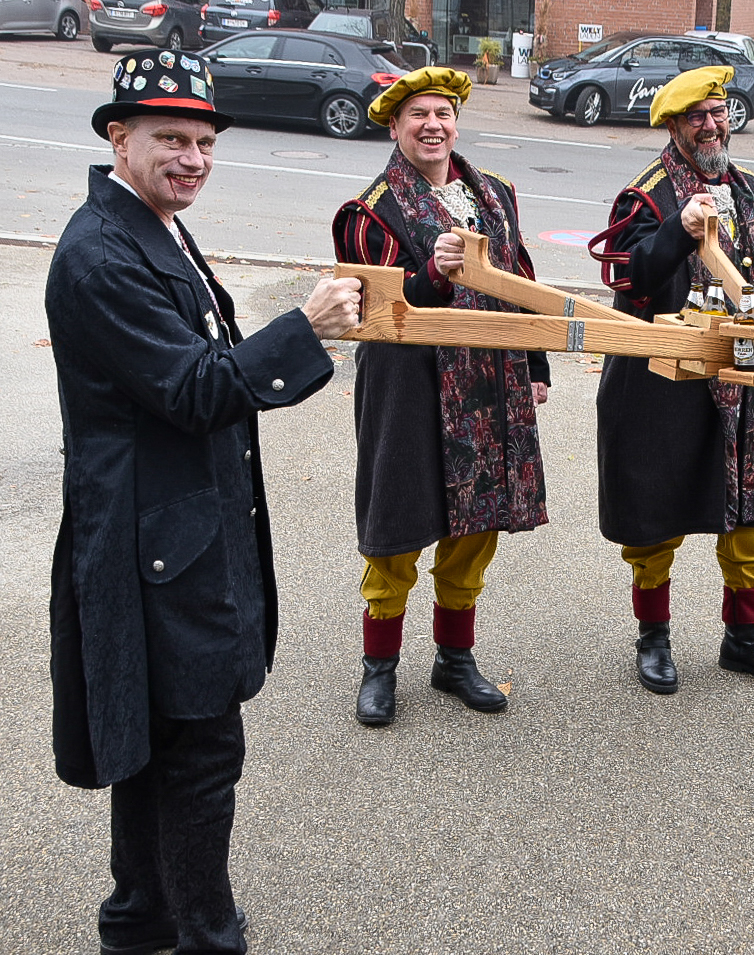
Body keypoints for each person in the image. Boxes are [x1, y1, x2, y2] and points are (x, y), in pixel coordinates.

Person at [46, 50, 361, 954]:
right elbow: (192, 388)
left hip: (167, 526)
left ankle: (139, 917)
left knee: (163, 742)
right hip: (155, 542)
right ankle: (205, 935)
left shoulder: (147, 225)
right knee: (201, 751)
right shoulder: (100, 253)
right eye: (170, 140)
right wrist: (304, 328)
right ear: (120, 138)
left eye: (204, 142)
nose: (193, 159)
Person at [333, 67, 551, 727]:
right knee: (397, 523)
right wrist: (432, 271)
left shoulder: (495, 192)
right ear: (395, 128)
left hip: (490, 378)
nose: (433, 126)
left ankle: (454, 659)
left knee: (476, 524)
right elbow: (371, 307)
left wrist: (535, 362)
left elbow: (520, 276)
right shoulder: (368, 211)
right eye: (418, 116)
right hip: (408, 387)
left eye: (443, 114)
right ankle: (379, 668)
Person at [587, 66, 754, 695]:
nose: (712, 126)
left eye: (719, 112)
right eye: (697, 117)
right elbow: (629, 280)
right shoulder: (645, 195)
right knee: (658, 513)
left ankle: (744, 640)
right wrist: (676, 231)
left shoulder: (752, 189)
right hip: (664, 380)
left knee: (752, 513)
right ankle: (653, 639)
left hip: (745, 373)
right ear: (674, 127)